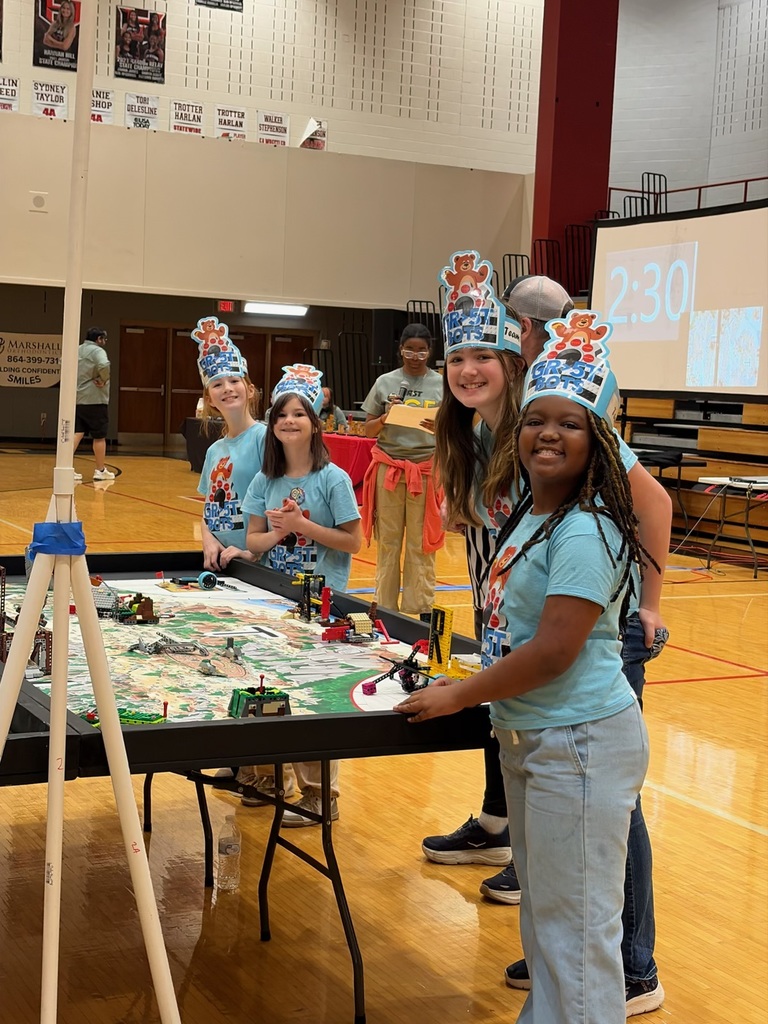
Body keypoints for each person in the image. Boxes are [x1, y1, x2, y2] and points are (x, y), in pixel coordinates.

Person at [424, 271, 668, 1016]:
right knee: (551, 924)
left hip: (577, 729)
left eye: (566, 424)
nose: (546, 435)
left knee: (576, 928)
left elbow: (558, 646)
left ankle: (637, 968)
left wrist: (460, 693)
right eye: (537, 423)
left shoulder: (586, 524)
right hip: (533, 725)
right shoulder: (525, 496)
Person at [243, 364, 362, 826]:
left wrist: (302, 526)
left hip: (323, 603)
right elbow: (253, 541)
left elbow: (353, 542)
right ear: (272, 427)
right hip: (277, 600)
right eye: (281, 416)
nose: (289, 422)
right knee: (270, 686)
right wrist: (278, 534)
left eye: (299, 414)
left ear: (315, 423)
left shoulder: (332, 479)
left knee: (310, 694)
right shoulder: (264, 480)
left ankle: (320, 797)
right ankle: (275, 780)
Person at [361, 324, 444, 615]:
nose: (415, 355)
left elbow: (457, 430)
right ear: (400, 350)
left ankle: (419, 608)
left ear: (429, 351)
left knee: (422, 543)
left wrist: (441, 427)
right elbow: (368, 429)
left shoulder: (442, 384)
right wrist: (386, 417)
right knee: (389, 542)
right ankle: (384, 608)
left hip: (425, 470)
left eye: (421, 350)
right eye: (410, 349)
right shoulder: (385, 382)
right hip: (390, 468)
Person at [193, 316, 266, 572]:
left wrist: (253, 552)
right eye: (217, 384)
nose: (227, 388)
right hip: (220, 563)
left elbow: (279, 503)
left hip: (255, 562)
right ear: (210, 399)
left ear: (250, 390)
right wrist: (208, 538)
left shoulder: (263, 438)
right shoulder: (215, 451)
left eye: (235, 381)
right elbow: (208, 507)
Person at [74, 327, 115, 482]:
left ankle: (66, 467)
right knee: (99, 436)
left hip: (77, 398)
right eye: (103, 339)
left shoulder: (76, 350)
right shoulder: (97, 352)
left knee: (77, 432)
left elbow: (62, 362)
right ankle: (100, 470)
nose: (104, 342)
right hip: (95, 400)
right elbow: (104, 365)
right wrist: (104, 379)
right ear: (98, 339)